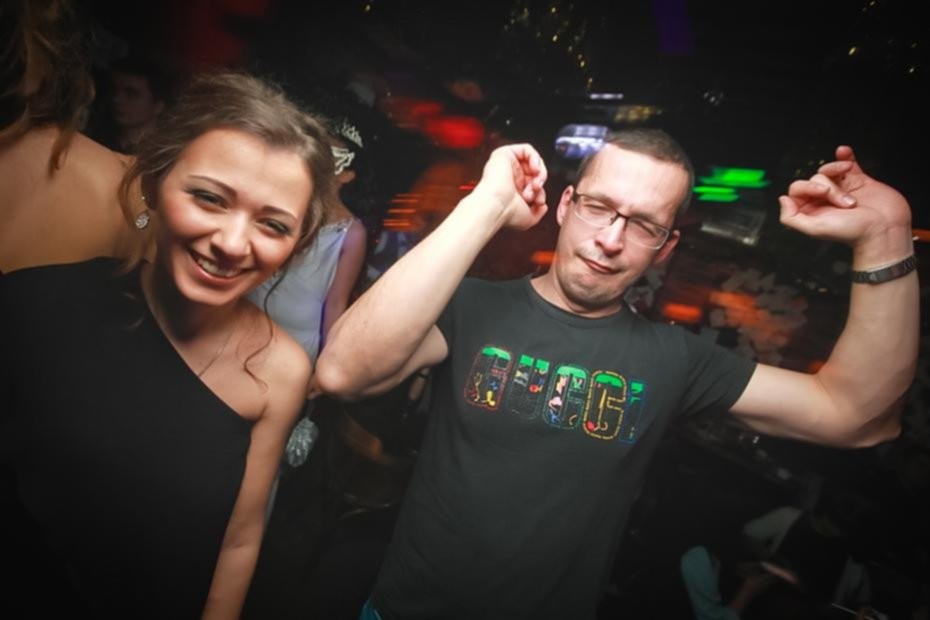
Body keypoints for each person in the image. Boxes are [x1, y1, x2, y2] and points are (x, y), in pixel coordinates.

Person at [315, 129, 918, 619]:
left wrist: (886, 235)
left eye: (643, 225)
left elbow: (856, 415)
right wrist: (486, 206)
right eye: (598, 207)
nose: (609, 239)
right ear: (566, 205)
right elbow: (344, 371)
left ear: (666, 246)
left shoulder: (673, 358)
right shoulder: (471, 305)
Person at [0, 71, 334, 617]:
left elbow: (238, 541)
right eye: (209, 198)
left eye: (273, 225)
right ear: (154, 182)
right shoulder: (38, 300)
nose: (232, 244)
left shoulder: (279, 370)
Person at [0, 0, 138, 274]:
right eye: (116, 90)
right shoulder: (113, 171)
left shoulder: (129, 185)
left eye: (131, 93)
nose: (118, 100)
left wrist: (145, 216)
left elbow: (141, 223)